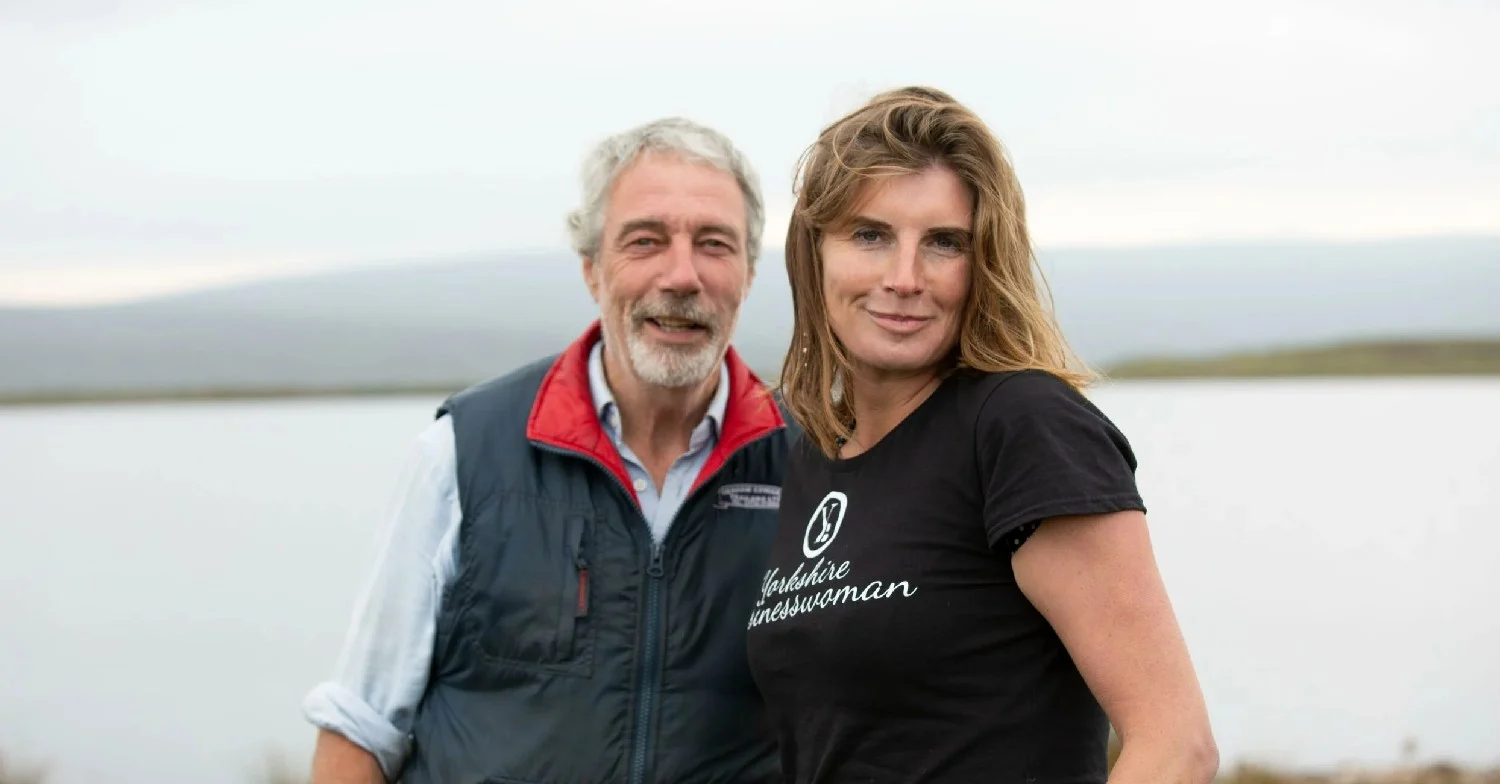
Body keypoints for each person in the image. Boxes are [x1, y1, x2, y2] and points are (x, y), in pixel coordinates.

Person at [744, 86, 1218, 783]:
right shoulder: (815, 452)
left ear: (984, 263)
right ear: (814, 254)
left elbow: (1176, 746)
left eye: (943, 243)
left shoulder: (1022, 426)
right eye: (870, 235)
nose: (905, 279)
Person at [302, 117, 797, 783]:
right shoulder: (462, 456)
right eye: (645, 241)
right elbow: (359, 733)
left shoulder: (812, 468)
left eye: (714, 244)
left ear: (748, 273)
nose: (682, 275)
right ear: (593, 268)